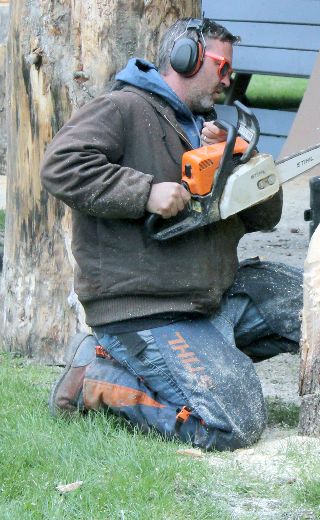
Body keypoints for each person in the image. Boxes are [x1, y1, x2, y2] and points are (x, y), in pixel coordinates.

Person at [40, 18, 301, 451]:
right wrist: (144, 192)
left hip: (211, 297)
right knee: (236, 422)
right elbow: (60, 166)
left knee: (319, 305)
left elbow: (264, 218)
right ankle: (98, 378)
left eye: (229, 69)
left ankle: (206, 364)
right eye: (221, 66)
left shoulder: (211, 125)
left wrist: (240, 163)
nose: (227, 78)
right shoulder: (123, 108)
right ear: (186, 56)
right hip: (149, 308)